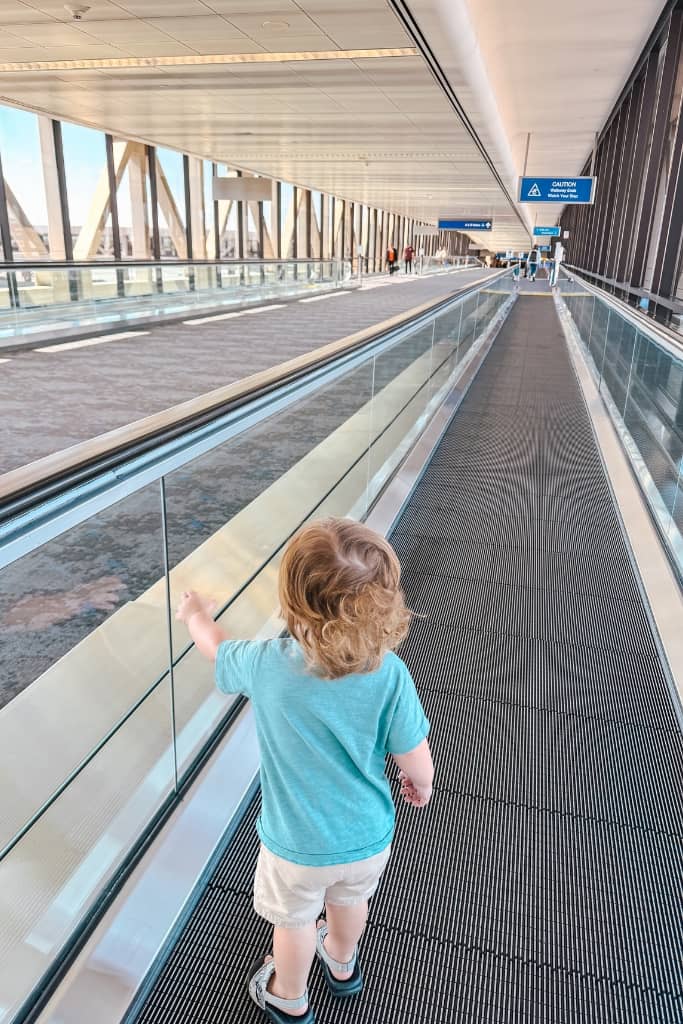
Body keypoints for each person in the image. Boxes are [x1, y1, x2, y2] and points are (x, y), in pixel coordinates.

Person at [176, 518, 433, 1024]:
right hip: (367, 835)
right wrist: (417, 786)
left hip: (294, 843)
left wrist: (194, 616)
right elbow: (417, 760)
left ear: (292, 602)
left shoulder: (268, 664)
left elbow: (216, 649)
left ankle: (288, 996)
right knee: (349, 902)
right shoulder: (388, 673)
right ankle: (341, 962)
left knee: (292, 923)